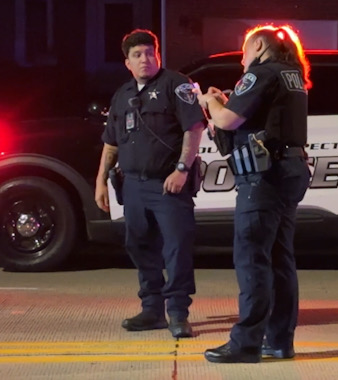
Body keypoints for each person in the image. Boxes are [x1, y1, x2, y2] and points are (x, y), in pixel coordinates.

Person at [195, 25, 312, 363]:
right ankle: (278, 341)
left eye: (243, 51)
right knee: (280, 260)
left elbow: (228, 120)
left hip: (263, 178)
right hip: (288, 171)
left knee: (252, 260)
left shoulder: (262, 73)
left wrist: (212, 101)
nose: (242, 60)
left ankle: (245, 343)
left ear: (258, 45)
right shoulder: (292, 74)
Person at [94, 29, 206, 338]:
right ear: (127, 62)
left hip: (168, 186)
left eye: (149, 53)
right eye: (137, 55)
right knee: (140, 247)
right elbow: (111, 143)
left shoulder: (176, 84)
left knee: (176, 249)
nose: (145, 59)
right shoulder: (122, 96)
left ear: (157, 55)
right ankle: (152, 310)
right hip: (133, 187)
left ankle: (178, 314)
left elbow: (194, 128)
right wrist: (101, 181)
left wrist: (183, 168)